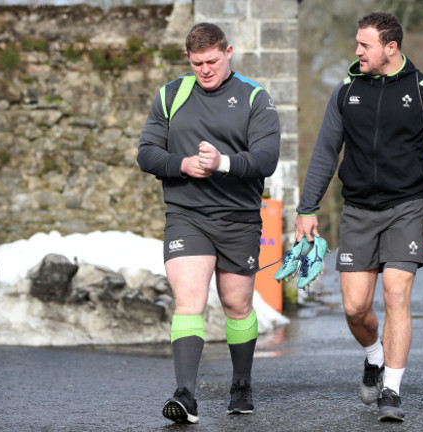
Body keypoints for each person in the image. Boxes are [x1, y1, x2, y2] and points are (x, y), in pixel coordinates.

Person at [295, 12, 423, 422]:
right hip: (358, 211)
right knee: (354, 308)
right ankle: (373, 357)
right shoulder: (346, 91)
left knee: (398, 294)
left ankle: (392, 391)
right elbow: (325, 153)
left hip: (406, 208)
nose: (357, 51)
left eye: (364, 45)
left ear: (391, 47)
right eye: (357, 43)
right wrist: (307, 208)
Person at [137, 22, 280, 424]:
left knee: (237, 304)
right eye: (197, 62)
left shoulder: (255, 98)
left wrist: (223, 163)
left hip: (238, 217)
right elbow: (146, 153)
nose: (205, 69)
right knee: (189, 300)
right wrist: (181, 164)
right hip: (187, 215)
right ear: (188, 58)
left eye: (212, 61)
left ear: (228, 52)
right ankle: (185, 394)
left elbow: (266, 159)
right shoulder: (171, 95)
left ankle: (241, 383)